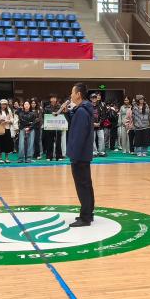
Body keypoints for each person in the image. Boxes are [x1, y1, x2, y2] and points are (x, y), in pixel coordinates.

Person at [65, 82, 95, 228]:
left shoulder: (82, 112)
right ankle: (88, 213)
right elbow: (75, 123)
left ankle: (85, 217)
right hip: (83, 154)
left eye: (72, 92)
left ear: (78, 94)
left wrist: (74, 156)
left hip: (80, 155)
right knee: (86, 185)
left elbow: (78, 136)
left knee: (82, 186)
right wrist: (67, 113)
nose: (70, 95)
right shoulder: (83, 110)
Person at [0, 99, 16, 164]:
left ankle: (7, 158)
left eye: (5, 104)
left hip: (7, 129)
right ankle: (0, 158)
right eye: (2, 104)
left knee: (7, 144)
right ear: (0, 104)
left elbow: (12, 119)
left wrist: (7, 121)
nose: (4, 105)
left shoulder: (9, 111)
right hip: (0, 129)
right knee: (0, 143)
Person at [42, 93, 65, 160]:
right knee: (49, 142)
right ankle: (49, 156)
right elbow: (44, 116)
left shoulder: (60, 107)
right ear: (50, 99)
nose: (53, 99)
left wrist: (57, 114)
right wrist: (51, 114)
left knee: (58, 142)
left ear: (56, 99)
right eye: (52, 98)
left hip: (58, 127)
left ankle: (59, 156)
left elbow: (62, 116)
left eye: (54, 98)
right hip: (49, 127)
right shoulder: (47, 107)